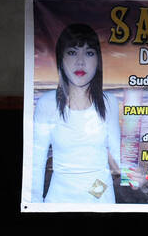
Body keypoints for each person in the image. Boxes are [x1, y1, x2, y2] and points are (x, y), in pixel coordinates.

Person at [30, 22, 123, 204]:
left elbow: (117, 156)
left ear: (98, 60)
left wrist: (135, 175)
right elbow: (36, 161)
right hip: (58, 199)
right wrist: (35, 204)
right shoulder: (47, 104)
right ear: (60, 58)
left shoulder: (109, 102)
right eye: (72, 52)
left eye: (89, 53)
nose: (80, 62)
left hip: (99, 197)